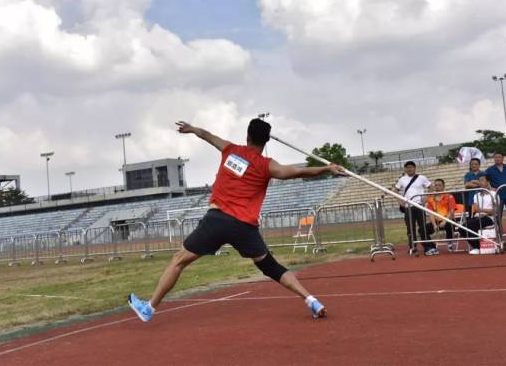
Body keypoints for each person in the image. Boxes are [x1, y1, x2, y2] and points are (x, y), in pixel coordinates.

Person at [128, 119, 346, 322]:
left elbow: (207, 135)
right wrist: (327, 168)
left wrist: (191, 129)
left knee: (178, 261)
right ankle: (311, 301)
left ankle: (149, 308)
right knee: (271, 266)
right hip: (244, 227)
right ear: (266, 141)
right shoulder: (266, 165)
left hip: (217, 220)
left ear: (248, 137)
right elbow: (297, 172)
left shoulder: (230, 150)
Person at [394, 161, 439, 256]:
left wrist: (426, 199)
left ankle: (427, 247)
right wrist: (400, 202)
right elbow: (395, 191)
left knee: (423, 227)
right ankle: (412, 247)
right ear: (405, 169)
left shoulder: (422, 178)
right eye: (407, 167)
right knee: (410, 228)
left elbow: (431, 187)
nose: (409, 169)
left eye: (411, 167)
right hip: (408, 207)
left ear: (415, 168)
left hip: (419, 206)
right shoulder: (402, 179)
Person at [461, 175, 497, 255]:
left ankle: (477, 247)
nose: (480, 182)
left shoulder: (494, 194)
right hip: (478, 217)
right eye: (479, 180)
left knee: (471, 225)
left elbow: (495, 210)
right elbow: (476, 209)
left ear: (488, 182)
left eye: (482, 180)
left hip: (489, 218)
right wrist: (484, 210)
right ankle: (477, 246)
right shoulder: (476, 195)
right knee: (462, 227)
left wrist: (483, 212)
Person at [426, 179, 457, 251]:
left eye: (439, 185)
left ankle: (450, 243)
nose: (437, 187)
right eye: (436, 185)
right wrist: (434, 225)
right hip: (436, 221)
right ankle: (431, 247)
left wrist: (444, 221)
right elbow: (430, 213)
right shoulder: (430, 199)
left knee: (449, 225)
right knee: (422, 229)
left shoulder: (449, 196)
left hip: (448, 220)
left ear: (443, 186)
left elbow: (451, 210)